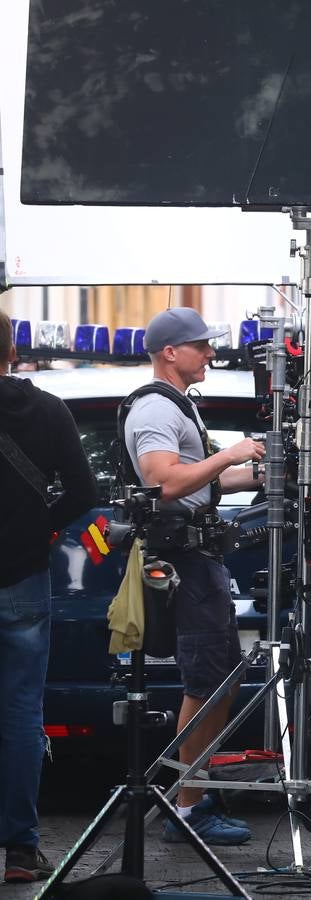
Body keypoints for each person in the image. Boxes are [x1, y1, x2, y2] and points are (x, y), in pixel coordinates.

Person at [122, 307, 264, 846]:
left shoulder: (179, 408)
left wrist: (260, 471)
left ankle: (195, 794)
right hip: (182, 562)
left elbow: (201, 482)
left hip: (201, 561)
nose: (209, 354)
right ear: (169, 353)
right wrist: (228, 452)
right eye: (200, 346)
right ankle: (187, 806)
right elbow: (163, 481)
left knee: (222, 676)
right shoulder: (155, 410)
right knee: (205, 682)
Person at [0, 309, 97, 884]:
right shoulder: (48, 409)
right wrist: (43, 527)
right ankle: (18, 849)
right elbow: (83, 491)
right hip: (24, 580)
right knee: (19, 716)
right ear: (12, 350)